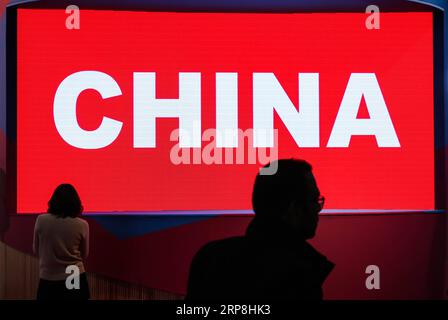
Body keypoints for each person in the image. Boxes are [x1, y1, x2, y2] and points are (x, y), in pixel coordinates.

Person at [186, 159, 334, 300]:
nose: (317, 208)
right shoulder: (300, 273)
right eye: (314, 200)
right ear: (292, 208)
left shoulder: (210, 257)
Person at [33, 184, 90, 300]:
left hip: (48, 278)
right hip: (74, 275)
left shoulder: (41, 220)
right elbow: (84, 254)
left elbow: (35, 249)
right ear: (75, 203)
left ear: (53, 201)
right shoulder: (82, 224)